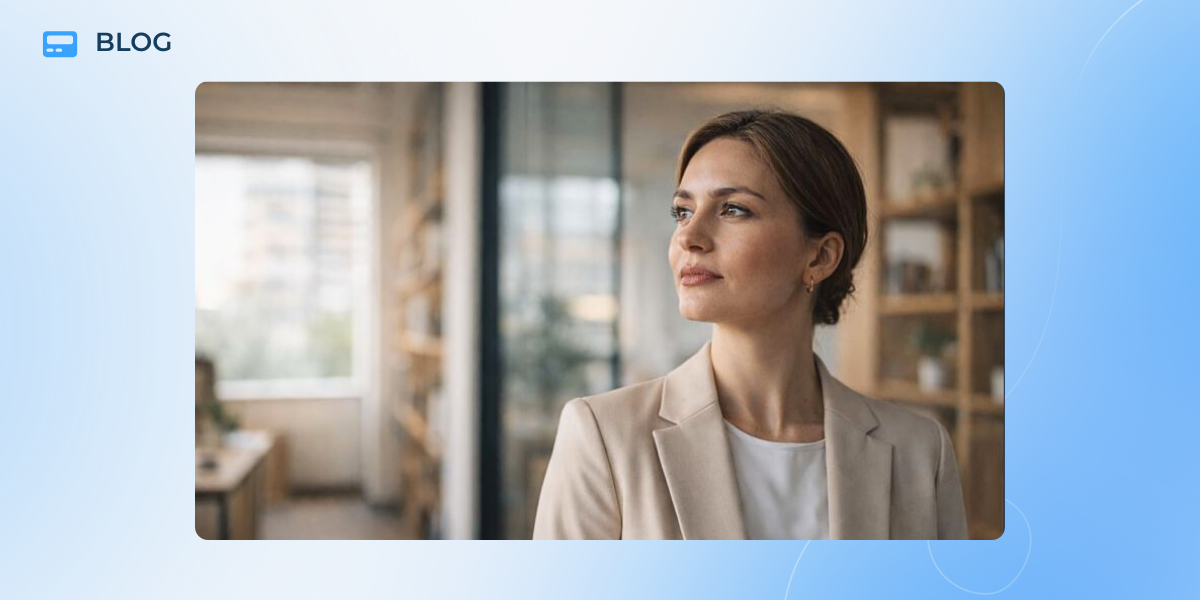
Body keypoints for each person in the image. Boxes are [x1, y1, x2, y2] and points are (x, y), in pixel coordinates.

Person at [532, 108, 968, 540]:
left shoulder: (920, 453)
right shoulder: (604, 437)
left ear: (820, 257)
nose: (688, 236)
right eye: (682, 212)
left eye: (734, 209)